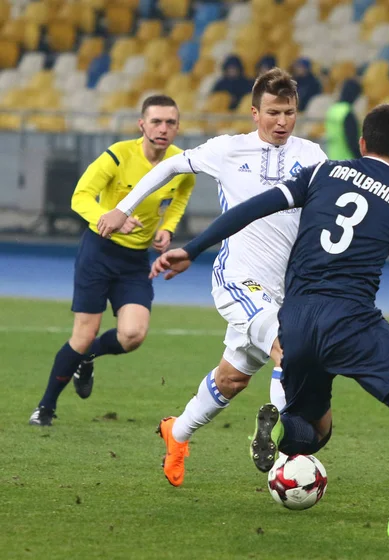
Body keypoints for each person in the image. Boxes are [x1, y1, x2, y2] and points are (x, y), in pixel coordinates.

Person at [150, 104, 389, 539]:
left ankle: (281, 427)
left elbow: (251, 209)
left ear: (361, 144)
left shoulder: (323, 173)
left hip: (293, 320)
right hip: (351, 321)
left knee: (316, 429)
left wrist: (194, 248)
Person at [96, 68, 327, 487]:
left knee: (232, 377)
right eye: (273, 112)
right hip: (238, 279)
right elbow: (169, 168)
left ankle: (176, 433)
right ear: (254, 113)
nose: (281, 122)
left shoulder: (312, 155)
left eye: (289, 113)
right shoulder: (227, 150)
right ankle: (284, 460)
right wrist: (124, 208)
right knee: (287, 349)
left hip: (286, 289)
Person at [28, 95, 195, 427]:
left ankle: (88, 359)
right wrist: (110, 216)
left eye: (170, 123)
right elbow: (79, 197)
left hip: (135, 261)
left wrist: (168, 228)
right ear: (142, 125)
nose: (163, 129)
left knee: (133, 334)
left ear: (178, 126)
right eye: (156, 121)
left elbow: (180, 196)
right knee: (83, 334)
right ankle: (45, 407)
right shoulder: (118, 156)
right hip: (99, 253)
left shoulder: (180, 164)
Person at [324, 78, 362, 159]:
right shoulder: (347, 113)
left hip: (332, 157)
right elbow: (352, 142)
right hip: (347, 160)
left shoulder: (333, 110)